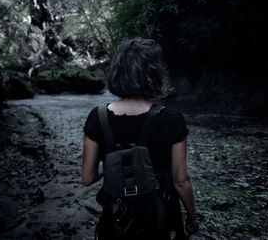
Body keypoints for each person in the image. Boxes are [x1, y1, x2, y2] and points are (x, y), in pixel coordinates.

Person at [82, 37, 198, 239]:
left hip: (117, 219)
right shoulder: (171, 119)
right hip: (158, 217)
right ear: (155, 74)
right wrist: (192, 216)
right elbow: (181, 180)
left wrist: (113, 162)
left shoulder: (97, 117)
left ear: (117, 72)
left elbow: (87, 177)